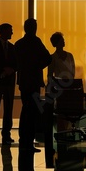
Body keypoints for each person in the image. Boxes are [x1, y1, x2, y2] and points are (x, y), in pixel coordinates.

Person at [14, 18, 52, 152]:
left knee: (26, 110)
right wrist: (37, 67)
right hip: (34, 81)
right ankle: (28, 140)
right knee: (32, 111)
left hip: (24, 81)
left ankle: (23, 139)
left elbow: (15, 64)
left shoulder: (18, 44)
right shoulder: (36, 42)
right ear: (34, 28)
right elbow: (48, 58)